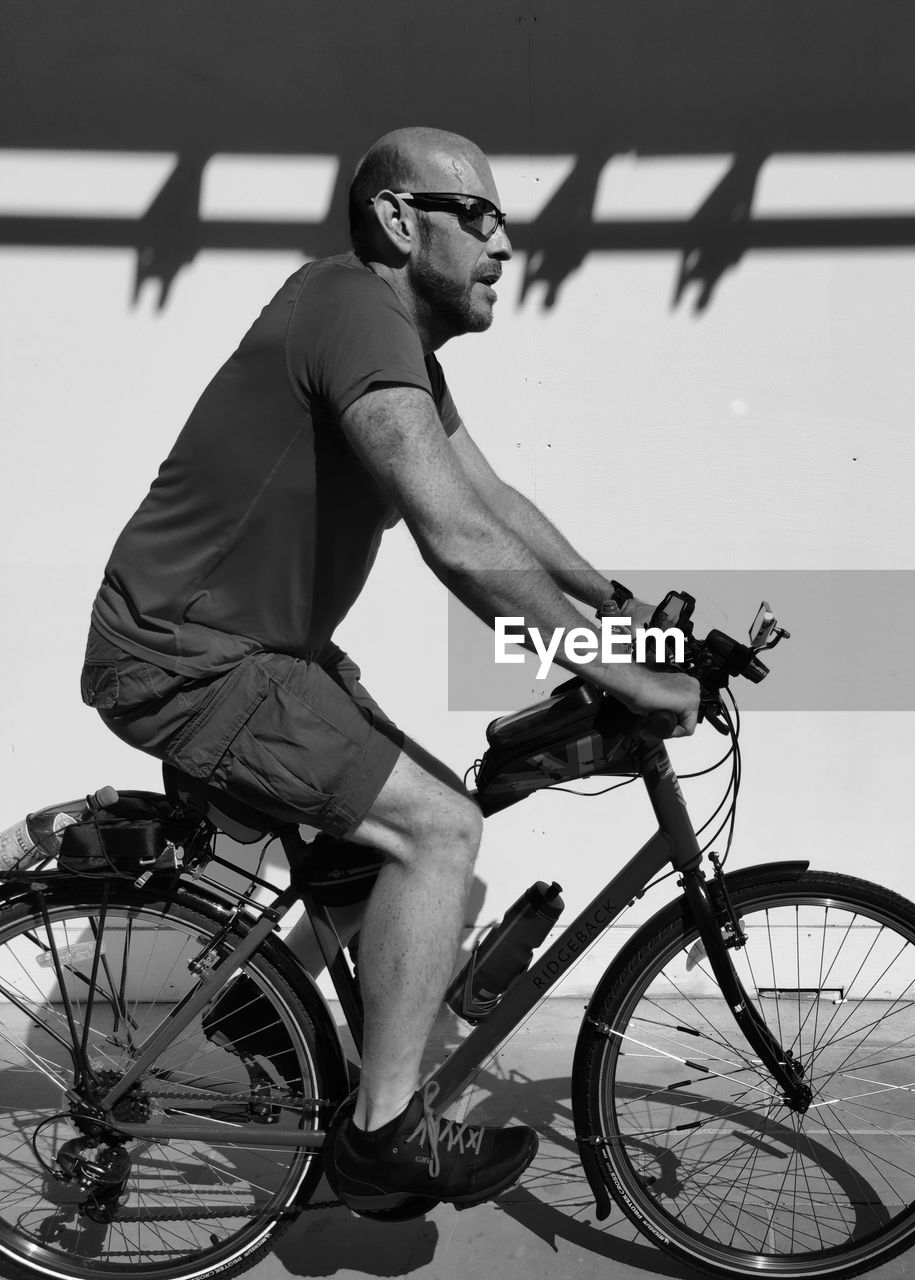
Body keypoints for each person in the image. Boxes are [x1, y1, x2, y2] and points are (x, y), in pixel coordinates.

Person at [80, 126, 701, 1215]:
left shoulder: (389, 340)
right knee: (442, 829)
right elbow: (455, 538)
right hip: (190, 659)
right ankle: (383, 1141)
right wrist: (622, 674)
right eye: (482, 216)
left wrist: (621, 609)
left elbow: (492, 499)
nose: (507, 243)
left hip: (256, 653)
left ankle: (259, 1008)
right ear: (398, 219)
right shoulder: (351, 309)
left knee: (387, 861)